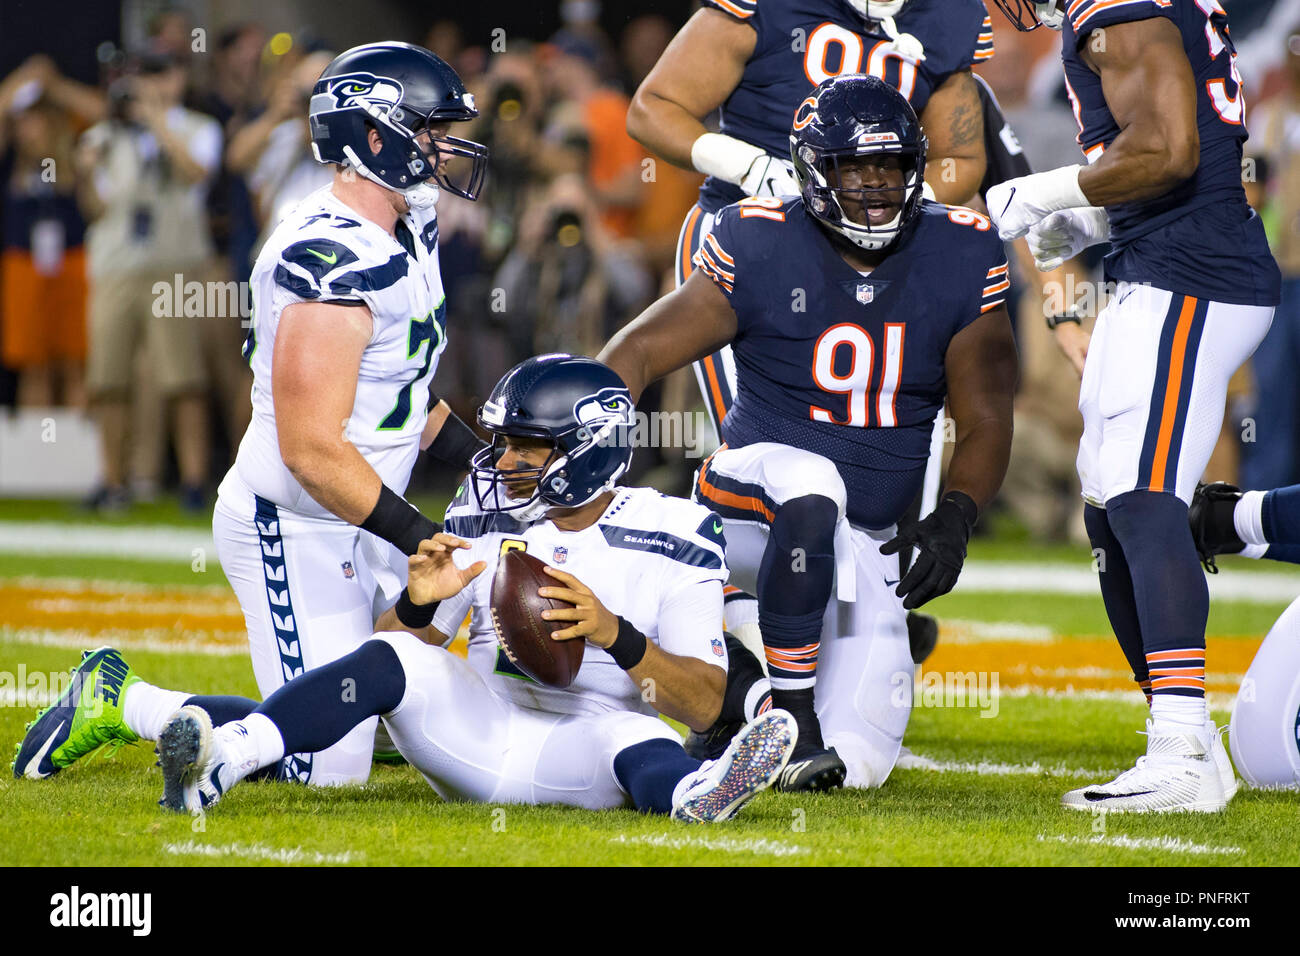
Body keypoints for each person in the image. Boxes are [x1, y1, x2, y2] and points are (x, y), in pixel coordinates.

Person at [14, 356, 798, 826]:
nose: (504, 461)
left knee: (645, 743)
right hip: (482, 724)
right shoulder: (487, 515)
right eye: (504, 442)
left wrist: (612, 633)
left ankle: (698, 793)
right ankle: (225, 760)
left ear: (588, 451)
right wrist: (423, 602)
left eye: (527, 445)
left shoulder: (676, 530)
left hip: (589, 739)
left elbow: (699, 704)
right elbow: (383, 663)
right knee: (393, 653)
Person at [599, 75, 1017, 792]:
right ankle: (789, 711)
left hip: (863, 542)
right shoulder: (761, 240)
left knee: (855, 772)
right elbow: (631, 356)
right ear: (814, 171)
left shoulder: (961, 251)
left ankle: (741, 707)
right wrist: (594, 474)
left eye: (891, 166)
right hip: (748, 518)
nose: (877, 186)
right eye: (855, 167)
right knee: (811, 481)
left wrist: (955, 515)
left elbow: (986, 416)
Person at [627, 0, 996, 674]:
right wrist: (752, 167)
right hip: (759, 247)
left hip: (882, 256)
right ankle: (726, 637)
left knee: (882, 435)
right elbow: (653, 107)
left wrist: (888, 198)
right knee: (772, 450)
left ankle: (856, 608)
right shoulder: (763, 7)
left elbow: (963, 156)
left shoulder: (947, 17)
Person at [987, 0, 1281, 812]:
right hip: (1158, 263)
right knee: (1111, 509)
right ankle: (1180, 736)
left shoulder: (1119, 8)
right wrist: (1075, 216)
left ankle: (1183, 747)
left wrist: (1040, 193)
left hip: (1195, 275)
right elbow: (1162, 162)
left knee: (1146, 501)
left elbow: (1171, 150)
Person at [212, 41, 489, 787]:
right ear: (375, 136)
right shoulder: (328, 260)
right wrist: (420, 538)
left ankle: (359, 712)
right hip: (300, 519)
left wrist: (483, 463)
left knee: (486, 571)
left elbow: (400, 389)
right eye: (429, 131)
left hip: (367, 507)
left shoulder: (410, 223)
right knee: (326, 765)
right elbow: (310, 447)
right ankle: (126, 703)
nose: (442, 149)